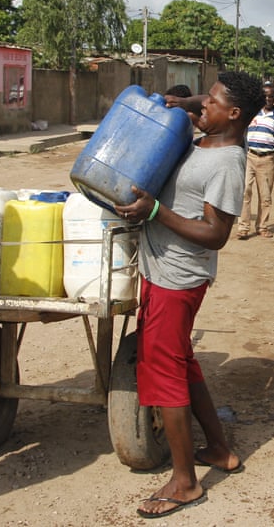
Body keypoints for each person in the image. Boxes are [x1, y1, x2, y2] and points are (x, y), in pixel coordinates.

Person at [113, 70, 261, 519]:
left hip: (177, 278)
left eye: (212, 103)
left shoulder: (227, 161)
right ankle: (219, 449)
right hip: (164, 270)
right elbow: (204, 105)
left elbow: (216, 234)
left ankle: (184, 483)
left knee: (164, 372)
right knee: (182, 361)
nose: (202, 106)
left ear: (233, 114)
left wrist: (156, 211)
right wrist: (180, 104)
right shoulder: (207, 141)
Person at [236, 84, 274, 239]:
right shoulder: (251, 113)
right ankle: (243, 227)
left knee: (265, 196)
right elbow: (240, 131)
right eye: (265, 96)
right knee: (245, 191)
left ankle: (262, 226)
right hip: (249, 157)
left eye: (271, 96)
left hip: (267, 159)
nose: (268, 99)